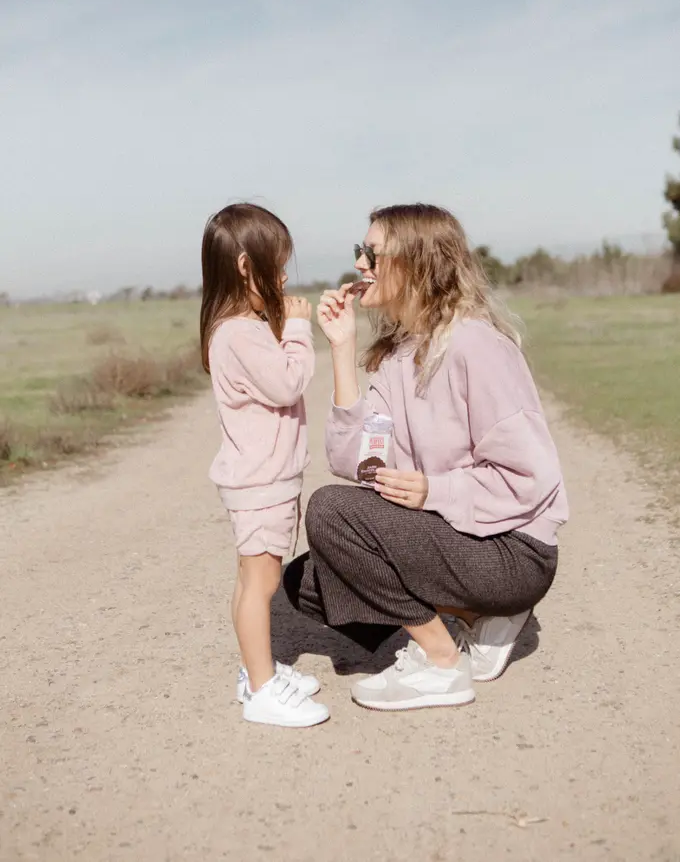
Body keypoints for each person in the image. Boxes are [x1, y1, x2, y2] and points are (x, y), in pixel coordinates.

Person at [283, 203, 568, 713]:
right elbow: (359, 464)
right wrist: (343, 350)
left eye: (372, 253)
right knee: (307, 583)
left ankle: (442, 663)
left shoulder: (476, 346)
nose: (360, 264)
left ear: (416, 262)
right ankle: (467, 617)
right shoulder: (397, 357)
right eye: (359, 251)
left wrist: (435, 489)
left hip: (512, 551)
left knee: (330, 510)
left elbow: (533, 476)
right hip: (457, 539)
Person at [200, 203, 329, 728]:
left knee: (250, 578)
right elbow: (288, 382)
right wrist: (298, 328)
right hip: (263, 483)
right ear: (246, 267)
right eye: (277, 268)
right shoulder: (241, 333)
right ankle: (262, 689)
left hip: (258, 480)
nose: (282, 279)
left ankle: (258, 669)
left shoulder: (236, 327)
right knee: (262, 583)